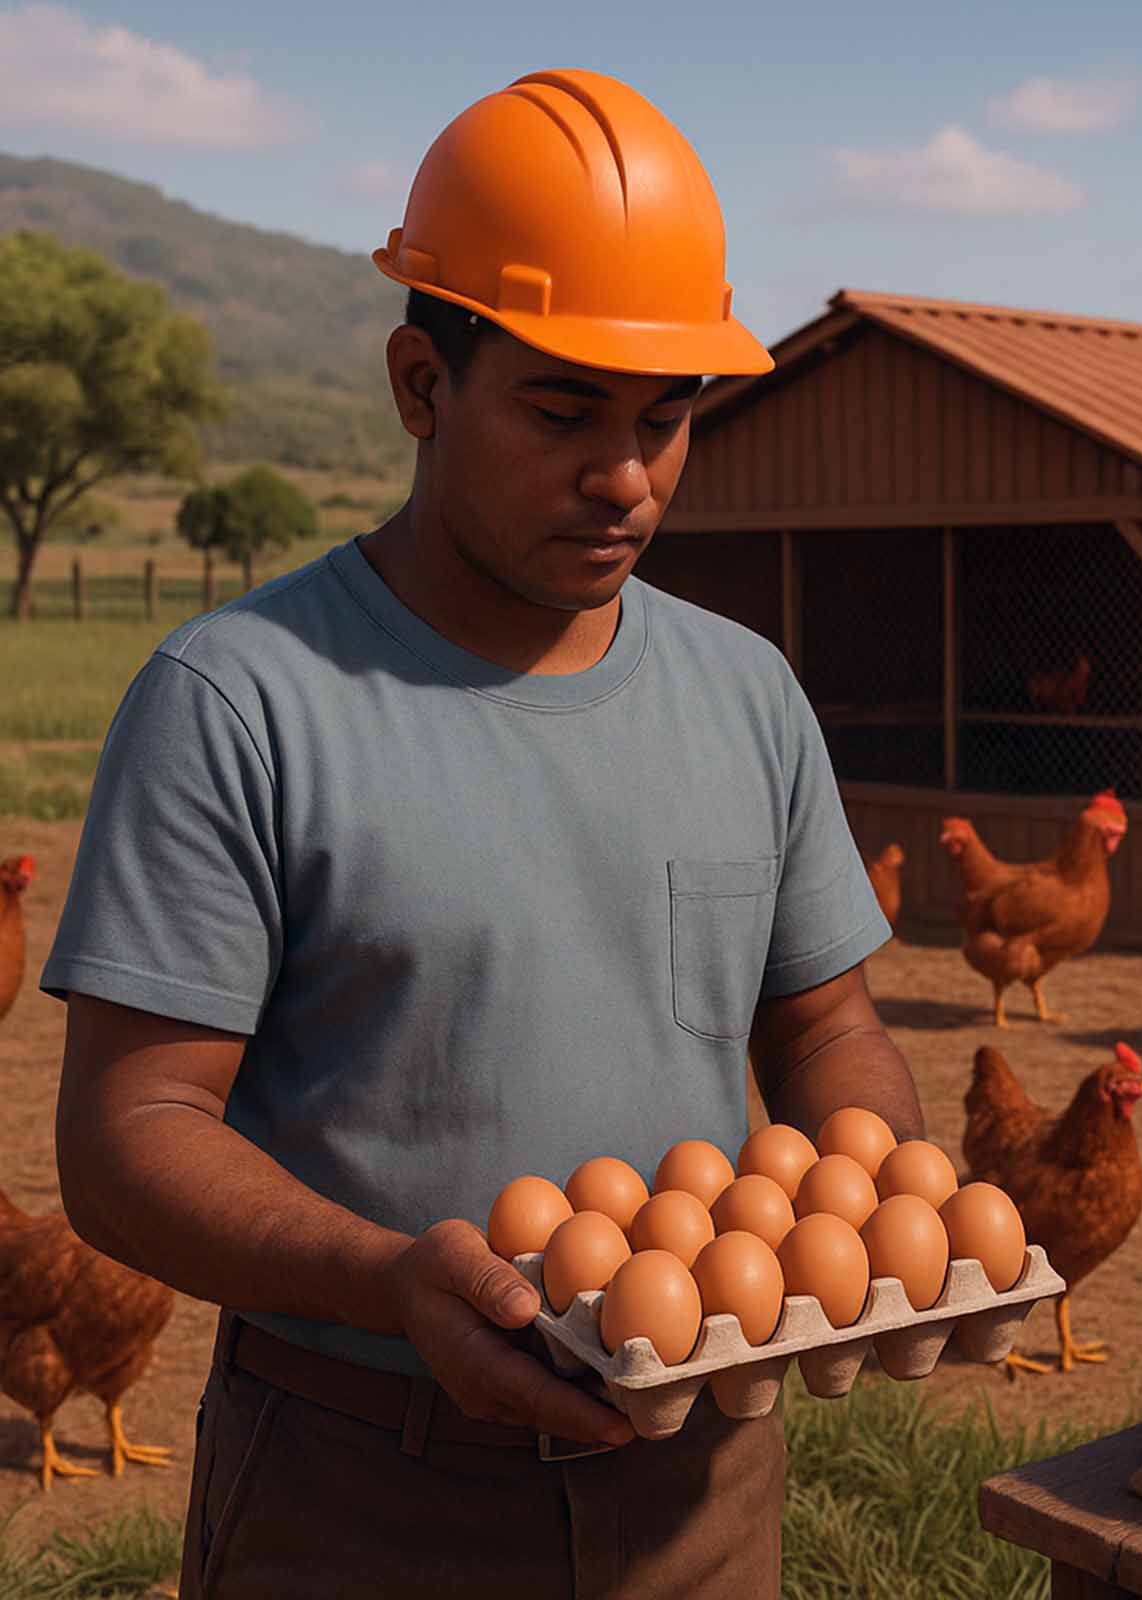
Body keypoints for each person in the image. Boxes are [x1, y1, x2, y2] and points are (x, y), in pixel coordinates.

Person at [42, 68, 920, 1597]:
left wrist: (873, 1189)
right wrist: (389, 1281)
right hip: (362, 1493)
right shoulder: (241, 701)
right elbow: (129, 1142)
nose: (627, 476)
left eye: (670, 417)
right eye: (565, 409)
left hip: (700, 1495)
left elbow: (829, 1020)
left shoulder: (746, 693)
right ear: (418, 386)